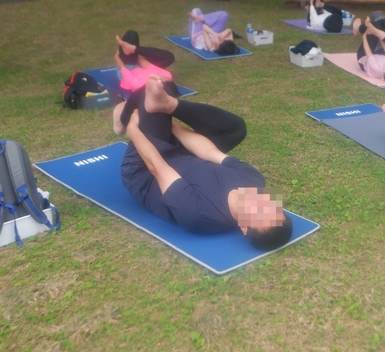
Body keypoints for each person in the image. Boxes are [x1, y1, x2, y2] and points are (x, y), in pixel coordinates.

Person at [113, 74, 293, 250]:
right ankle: (167, 105)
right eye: (271, 205)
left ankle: (120, 123)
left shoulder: (198, 215)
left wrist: (133, 129)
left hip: (143, 170)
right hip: (178, 156)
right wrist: (171, 125)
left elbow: (157, 167)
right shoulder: (255, 180)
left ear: (244, 228)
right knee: (235, 128)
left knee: (154, 92)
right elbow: (208, 152)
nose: (262, 201)